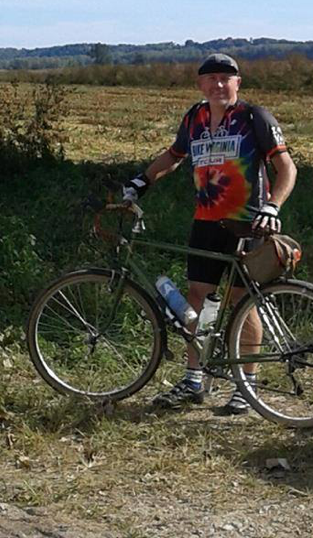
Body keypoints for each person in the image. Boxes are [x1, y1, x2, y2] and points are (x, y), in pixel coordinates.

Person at [122, 52, 297, 413]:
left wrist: (272, 207)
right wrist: (142, 180)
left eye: (226, 78)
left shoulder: (254, 118)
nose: (219, 84)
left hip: (246, 222)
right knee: (197, 297)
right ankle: (194, 378)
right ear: (200, 84)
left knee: (241, 302)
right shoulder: (195, 118)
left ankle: (244, 386)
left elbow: (287, 168)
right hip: (205, 222)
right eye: (211, 78)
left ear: (238, 83)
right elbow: (174, 155)